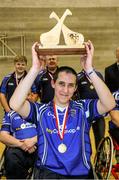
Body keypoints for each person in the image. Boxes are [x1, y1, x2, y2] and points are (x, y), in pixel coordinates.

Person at [9, 40, 115, 179]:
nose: (65, 90)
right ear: (53, 83)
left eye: (71, 85)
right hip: (48, 174)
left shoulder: (83, 108)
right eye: (61, 84)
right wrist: (35, 69)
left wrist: (89, 69)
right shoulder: (41, 111)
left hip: (81, 175)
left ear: (76, 88)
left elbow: (109, 104)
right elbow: (15, 104)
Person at [0, 110, 37, 179]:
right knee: (11, 156)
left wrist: (33, 141)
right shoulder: (10, 114)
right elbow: (2, 136)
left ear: (37, 98)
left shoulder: (42, 111)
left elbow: (50, 132)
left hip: (39, 145)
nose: (29, 98)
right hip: (18, 146)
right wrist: (22, 145)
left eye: (32, 97)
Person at [74, 69, 105, 149]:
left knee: (100, 137)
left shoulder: (98, 74)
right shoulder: (78, 76)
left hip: (98, 111)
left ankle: (101, 158)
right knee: (84, 137)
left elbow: (104, 90)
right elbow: (73, 94)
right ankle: (86, 157)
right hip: (85, 112)